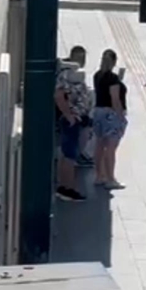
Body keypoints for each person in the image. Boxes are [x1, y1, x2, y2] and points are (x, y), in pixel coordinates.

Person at [53, 46, 91, 202]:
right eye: (78, 57)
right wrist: (69, 116)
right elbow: (59, 96)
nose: (81, 61)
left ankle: (65, 186)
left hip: (77, 119)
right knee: (69, 156)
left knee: (69, 155)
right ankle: (67, 188)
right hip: (71, 121)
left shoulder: (76, 75)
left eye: (83, 57)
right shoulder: (66, 74)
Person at [90, 49, 127, 190]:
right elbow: (115, 99)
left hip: (98, 113)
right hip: (111, 114)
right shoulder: (113, 79)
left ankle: (99, 176)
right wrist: (121, 117)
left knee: (99, 145)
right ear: (114, 62)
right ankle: (111, 178)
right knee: (111, 148)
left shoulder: (97, 75)